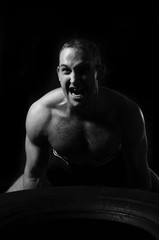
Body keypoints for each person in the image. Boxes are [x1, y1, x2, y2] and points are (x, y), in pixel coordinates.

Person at [7, 38, 159, 193]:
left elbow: (139, 178)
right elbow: (35, 177)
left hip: (114, 171)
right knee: (6, 206)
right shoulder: (41, 113)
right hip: (60, 172)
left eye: (83, 70)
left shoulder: (127, 113)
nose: (74, 80)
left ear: (98, 72)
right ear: (58, 73)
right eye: (66, 70)